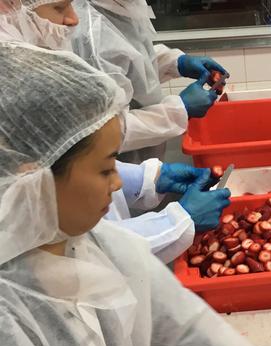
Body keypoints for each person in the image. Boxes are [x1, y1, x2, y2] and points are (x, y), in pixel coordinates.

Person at [0, 41, 271, 346]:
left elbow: (174, 324)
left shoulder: (91, 242)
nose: (120, 182)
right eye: (105, 169)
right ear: (29, 179)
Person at [0, 0, 231, 263]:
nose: (72, 19)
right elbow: (87, 252)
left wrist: (148, 179)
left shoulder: (33, 59)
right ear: (10, 6)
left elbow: (67, 159)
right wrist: (177, 223)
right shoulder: (17, 85)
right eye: (60, 8)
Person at [71, 0, 227, 162]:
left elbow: (133, 62)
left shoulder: (122, 7)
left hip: (147, 160)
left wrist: (175, 63)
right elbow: (106, 132)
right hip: (120, 166)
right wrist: (179, 109)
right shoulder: (90, 32)